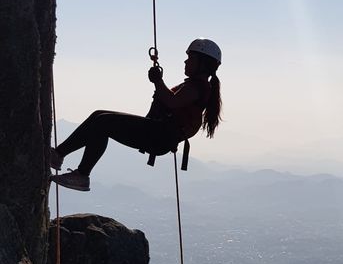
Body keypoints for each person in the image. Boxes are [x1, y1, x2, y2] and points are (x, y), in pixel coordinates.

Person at [50, 38, 222, 191]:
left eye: (190, 58)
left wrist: (158, 81)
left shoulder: (198, 88)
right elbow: (171, 102)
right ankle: (59, 154)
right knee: (99, 116)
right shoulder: (195, 87)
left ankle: (81, 174)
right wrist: (158, 83)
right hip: (159, 133)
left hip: (160, 135)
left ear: (202, 63)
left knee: (103, 123)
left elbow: (172, 102)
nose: (185, 61)